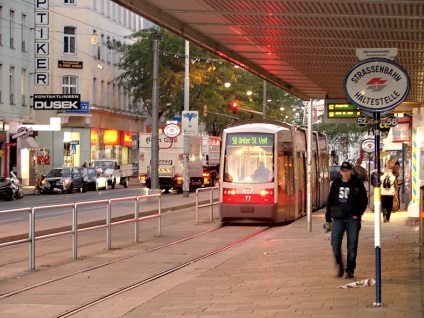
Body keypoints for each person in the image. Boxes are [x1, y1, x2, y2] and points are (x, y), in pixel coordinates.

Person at [325, 161, 367, 279]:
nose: (345, 173)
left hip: (352, 218)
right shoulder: (336, 183)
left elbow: (364, 200)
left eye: (347, 171)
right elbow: (330, 200)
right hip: (338, 218)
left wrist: (358, 214)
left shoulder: (357, 183)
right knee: (335, 244)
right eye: (343, 171)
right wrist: (328, 217)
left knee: (352, 245)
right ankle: (340, 266)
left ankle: (350, 270)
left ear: (351, 171)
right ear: (340, 172)